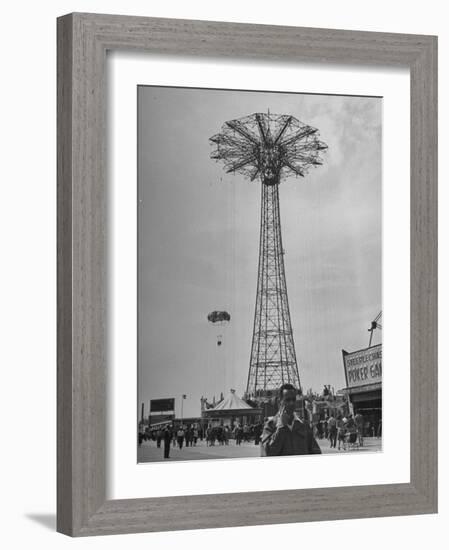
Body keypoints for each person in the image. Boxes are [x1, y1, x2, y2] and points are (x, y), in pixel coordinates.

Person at [261, 384, 321, 456]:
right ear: (280, 402)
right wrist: (281, 427)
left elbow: (316, 452)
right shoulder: (270, 425)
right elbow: (268, 453)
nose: (291, 403)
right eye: (287, 400)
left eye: (293, 399)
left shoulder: (304, 425)